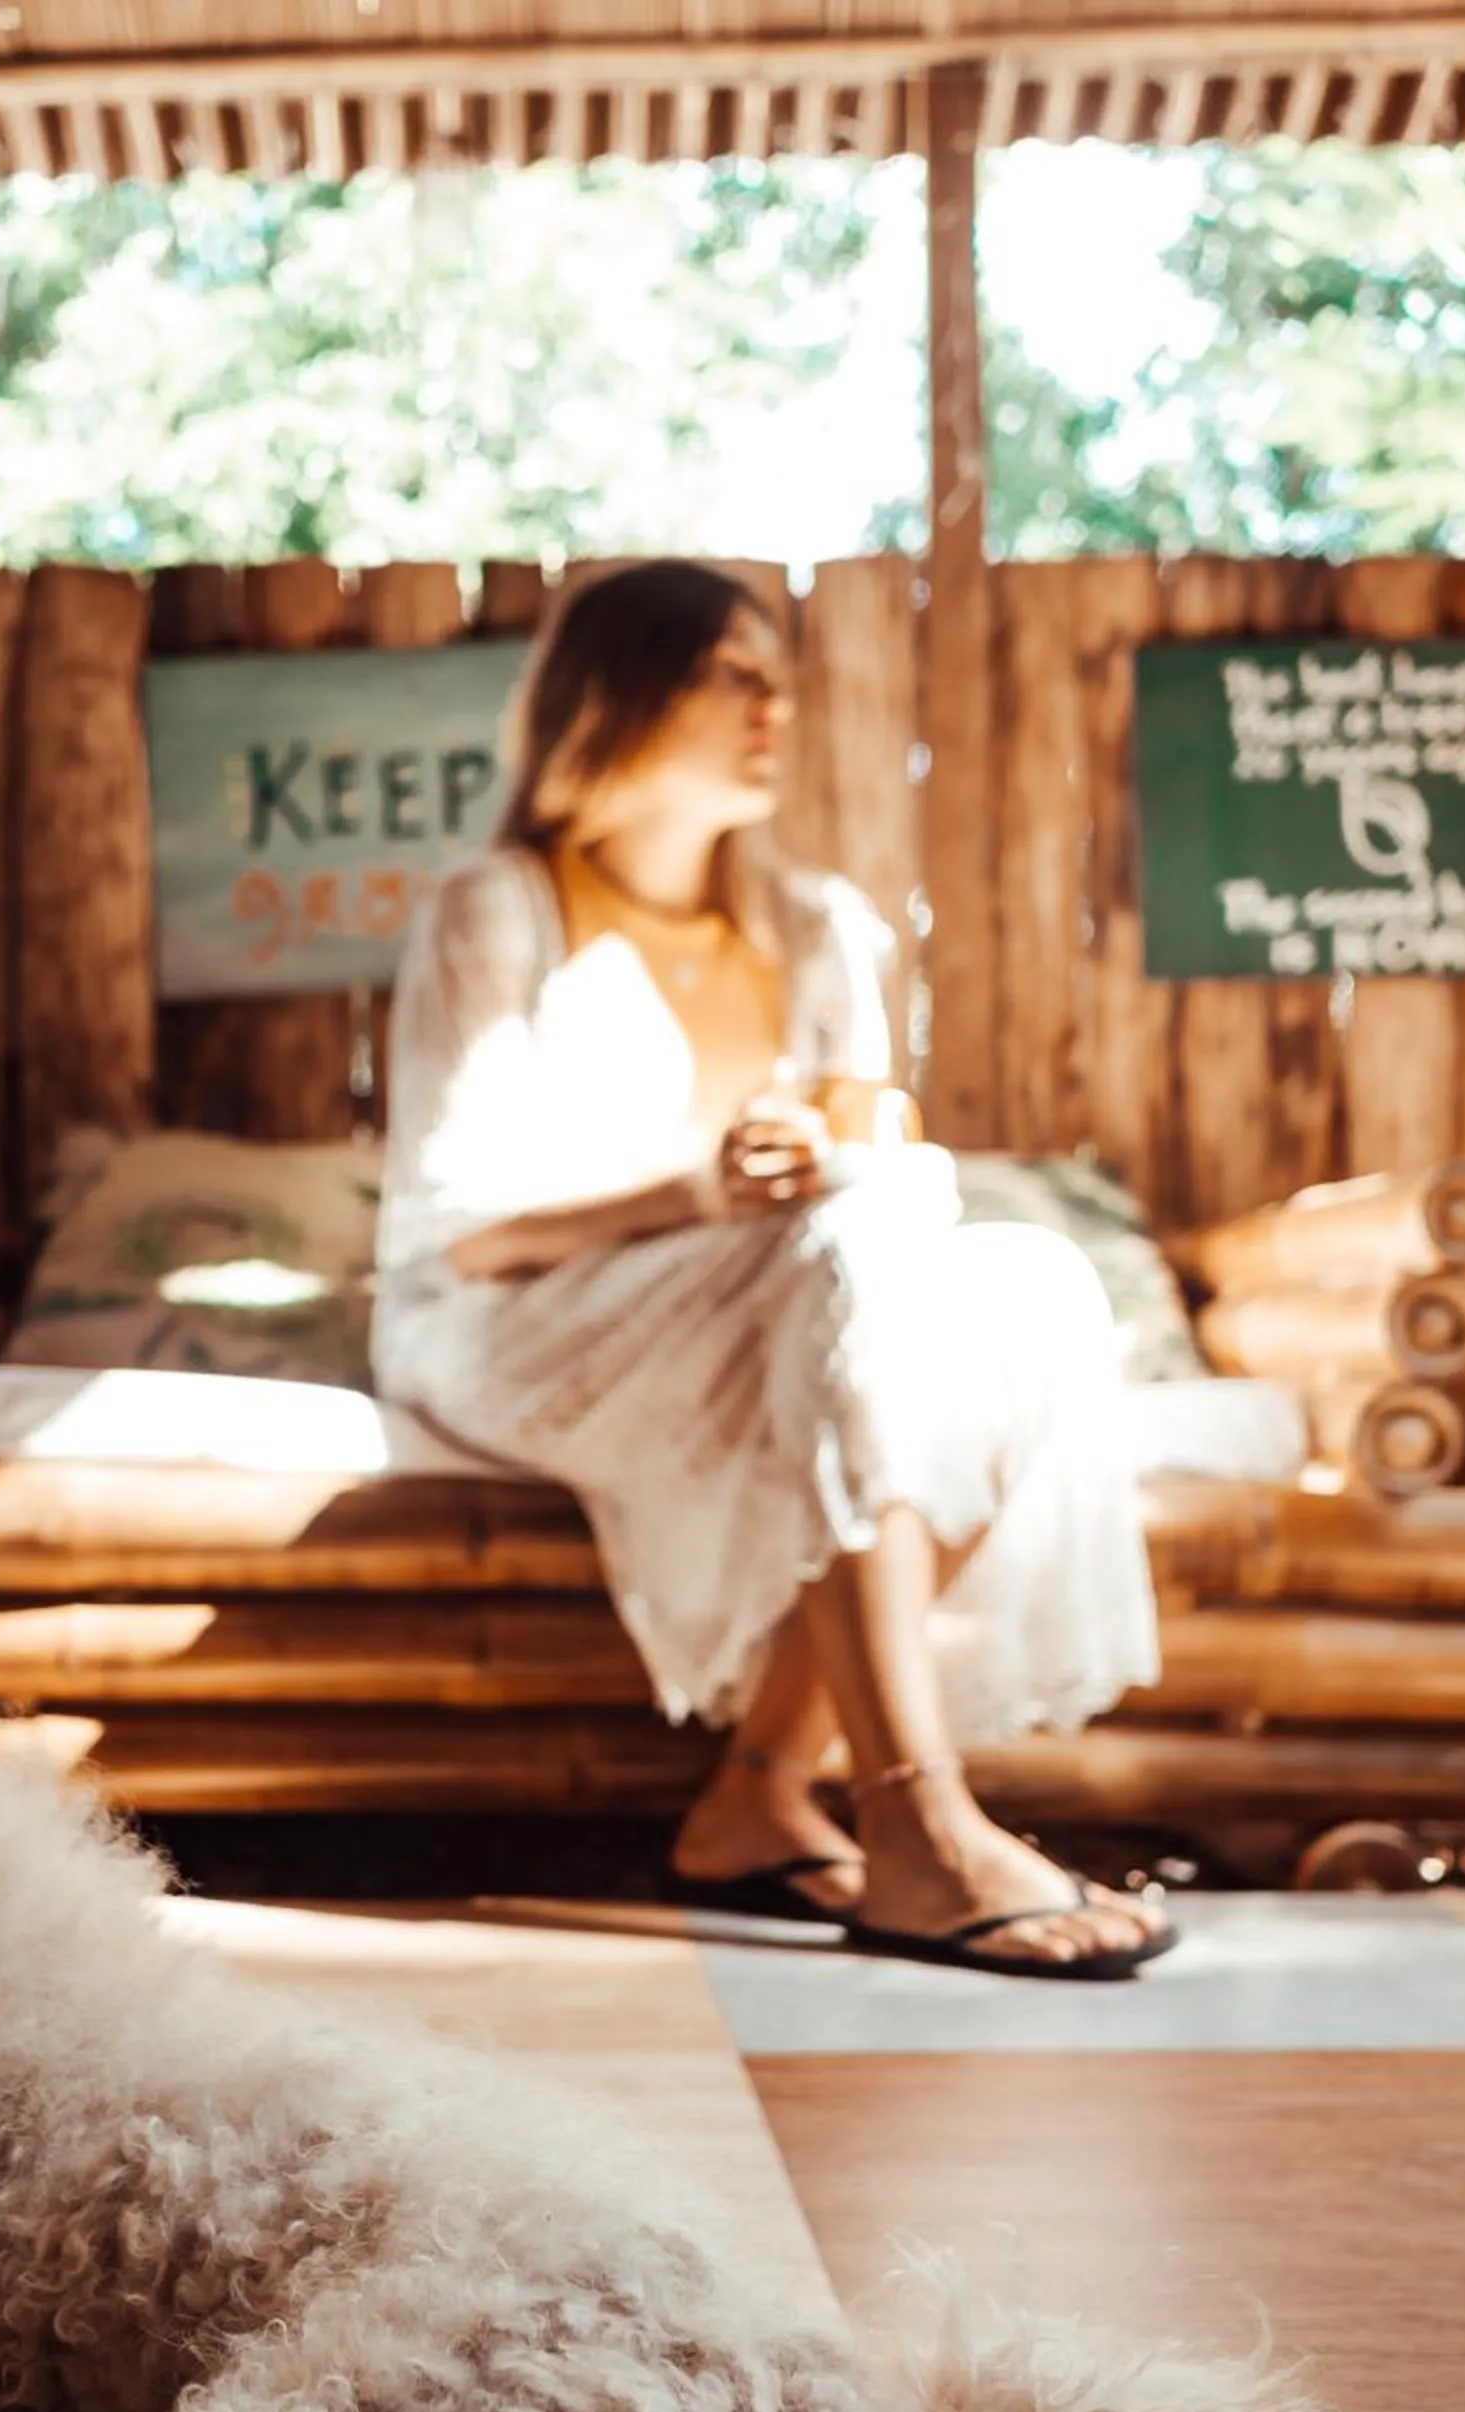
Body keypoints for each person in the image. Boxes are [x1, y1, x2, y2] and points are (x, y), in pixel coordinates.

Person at [374, 559, 1171, 1978]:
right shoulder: (497, 911)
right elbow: (462, 1229)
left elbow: (859, 1142)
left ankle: (756, 1789)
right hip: (511, 1326)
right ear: (619, 695)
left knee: (1029, 1289)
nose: (775, 706)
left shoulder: (814, 927)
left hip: (775, 1301)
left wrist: (848, 1152)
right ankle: (912, 1818)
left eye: (780, 678)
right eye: (735, 674)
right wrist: (699, 1191)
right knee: (863, 1247)